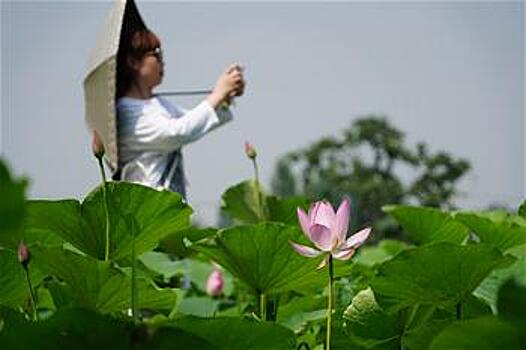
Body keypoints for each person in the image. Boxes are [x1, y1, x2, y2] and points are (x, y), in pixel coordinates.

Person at [115, 29, 245, 200]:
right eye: (156, 55)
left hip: (168, 200)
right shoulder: (126, 111)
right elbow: (178, 132)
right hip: (145, 207)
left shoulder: (157, 103)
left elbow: (195, 122)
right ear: (133, 62)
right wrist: (218, 94)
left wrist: (225, 97)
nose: (163, 62)